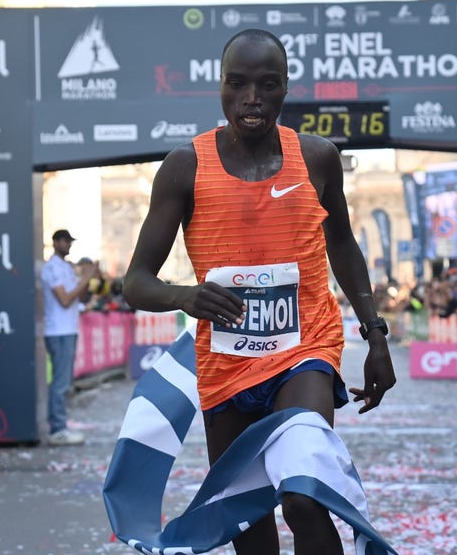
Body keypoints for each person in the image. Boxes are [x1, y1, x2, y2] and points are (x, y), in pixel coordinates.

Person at [122, 28, 395, 554]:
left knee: (305, 496)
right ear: (220, 87)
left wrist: (375, 334)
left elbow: (343, 244)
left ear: (285, 90)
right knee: (249, 526)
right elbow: (136, 281)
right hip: (226, 362)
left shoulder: (317, 158)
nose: (252, 99)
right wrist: (185, 296)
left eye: (267, 85)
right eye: (238, 84)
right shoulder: (185, 166)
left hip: (305, 350)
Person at [39, 229, 96, 446]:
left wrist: (86, 279)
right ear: (56, 243)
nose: (69, 245)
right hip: (58, 330)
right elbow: (64, 299)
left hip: (68, 329)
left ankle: (60, 424)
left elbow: (79, 295)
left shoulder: (67, 268)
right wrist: (86, 278)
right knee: (60, 382)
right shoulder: (52, 268)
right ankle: (57, 429)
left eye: (70, 241)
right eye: (65, 241)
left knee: (65, 381)